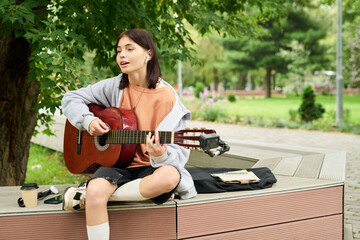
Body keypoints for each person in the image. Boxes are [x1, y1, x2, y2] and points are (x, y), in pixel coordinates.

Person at [61, 29, 197, 240]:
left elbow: (178, 157)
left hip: (150, 169)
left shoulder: (168, 98)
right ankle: (95, 193)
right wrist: (89, 121)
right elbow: (71, 98)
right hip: (116, 164)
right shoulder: (115, 85)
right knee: (98, 189)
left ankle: (92, 195)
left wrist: (160, 155)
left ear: (148, 54)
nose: (121, 55)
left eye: (129, 49)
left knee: (170, 176)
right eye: (118, 51)